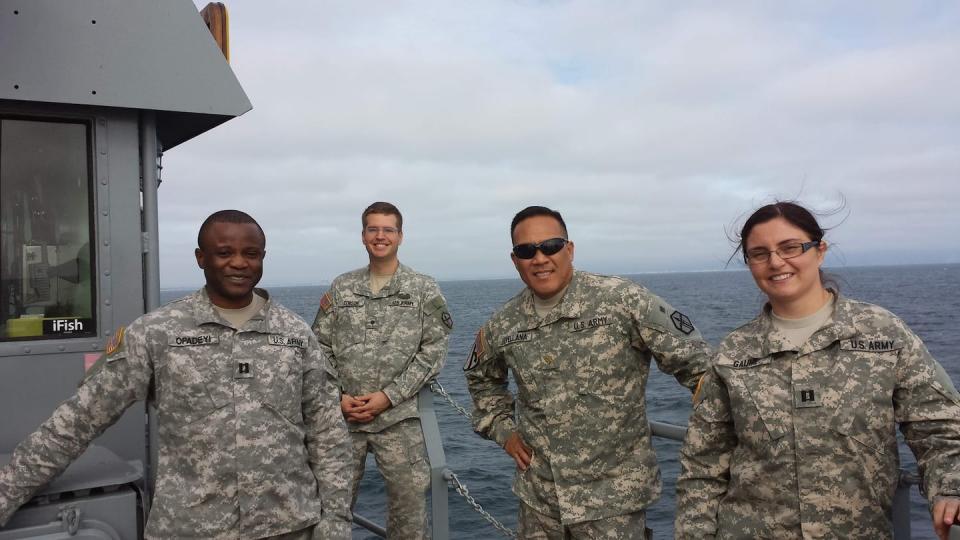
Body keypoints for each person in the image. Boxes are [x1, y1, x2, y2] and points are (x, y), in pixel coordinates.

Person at [0, 210, 352, 540]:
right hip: (190, 528)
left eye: (252, 253)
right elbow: (78, 420)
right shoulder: (157, 332)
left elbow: (327, 432)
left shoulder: (294, 333)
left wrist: (336, 522)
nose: (239, 263)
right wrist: (6, 494)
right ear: (201, 258)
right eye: (224, 252)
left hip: (288, 526)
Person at [675, 201, 960, 540]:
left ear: (819, 250)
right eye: (759, 253)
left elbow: (938, 425)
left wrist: (950, 488)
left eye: (790, 247)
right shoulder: (734, 353)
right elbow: (703, 466)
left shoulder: (882, 333)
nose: (776, 262)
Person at [464, 205, 713, 539]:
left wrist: (716, 441)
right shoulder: (503, 324)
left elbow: (702, 370)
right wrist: (503, 430)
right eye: (527, 250)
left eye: (550, 246)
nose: (540, 258)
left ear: (569, 249)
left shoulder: (622, 301)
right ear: (515, 260)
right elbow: (481, 380)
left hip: (612, 504)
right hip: (539, 504)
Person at [312, 202, 451, 539]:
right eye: (373, 229)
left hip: (399, 421)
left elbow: (434, 351)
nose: (380, 236)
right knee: (329, 511)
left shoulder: (423, 288)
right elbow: (319, 347)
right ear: (363, 236)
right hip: (344, 418)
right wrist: (338, 398)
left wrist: (388, 397)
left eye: (388, 229)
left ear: (400, 236)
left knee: (409, 519)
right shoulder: (342, 286)